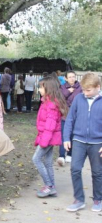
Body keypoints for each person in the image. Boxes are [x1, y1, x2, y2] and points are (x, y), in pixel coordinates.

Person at [63, 72, 102, 212]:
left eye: (88, 90)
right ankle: (79, 199)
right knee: (74, 169)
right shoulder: (79, 99)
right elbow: (70, 119)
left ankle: (98, 199)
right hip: (78, 140)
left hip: (97, 143)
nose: (85, 93)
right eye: (83, 89)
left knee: (97, 172)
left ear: (98, 87)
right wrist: (66, 138)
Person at [32, 76, 69, 198]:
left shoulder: (51, 104)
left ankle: (49, 186)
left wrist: (44, 141)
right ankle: (52, 187)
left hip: (48, 138)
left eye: (41, 87)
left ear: (48, 88)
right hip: (48, 137)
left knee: (36, 159)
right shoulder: (47, 102)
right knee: (47, 162)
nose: (39, 90)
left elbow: (50, 126)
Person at [56, 71, 82, 167]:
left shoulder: (80, 87)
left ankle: (70, 154)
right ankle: (61, 155)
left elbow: (81, 99)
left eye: (73, 76)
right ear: (66, 79)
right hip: (65, 114)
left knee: (72, 135)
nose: (72, 78)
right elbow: (60, 98)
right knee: (63, 134)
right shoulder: (62, 88)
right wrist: (68, 92)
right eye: (70, 77)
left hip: (76, 115)